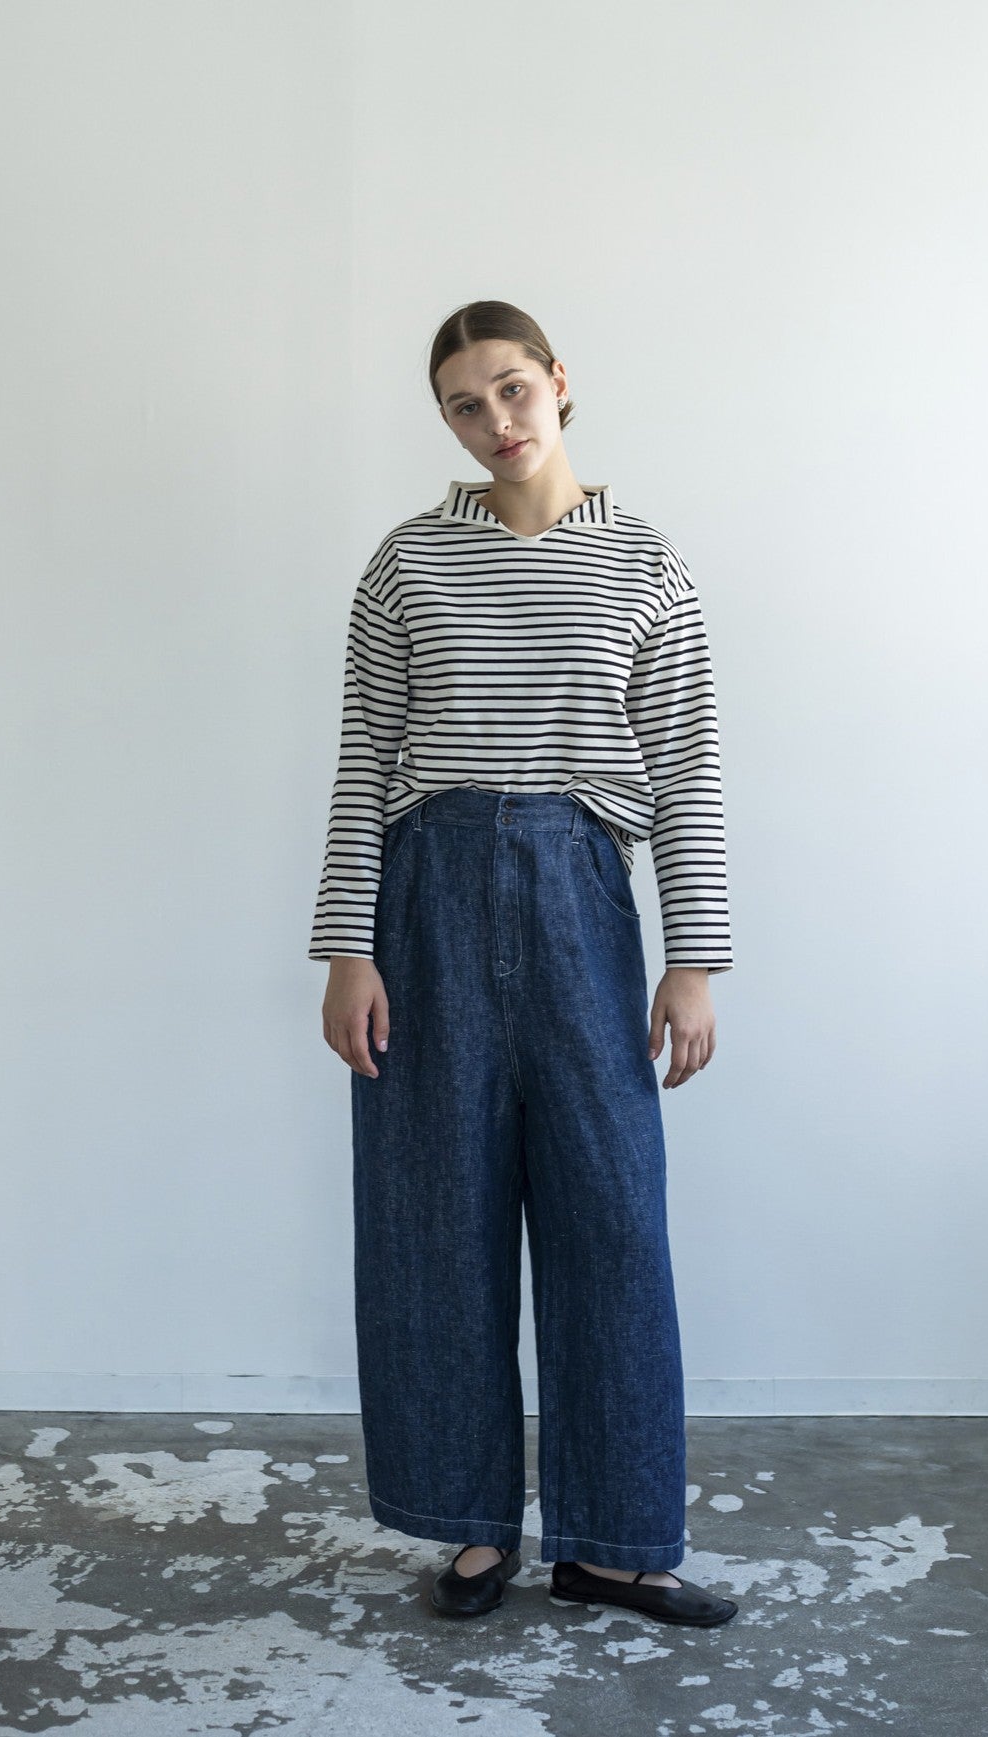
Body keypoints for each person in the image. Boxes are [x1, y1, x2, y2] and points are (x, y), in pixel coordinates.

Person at [310, 299, 738, 1628]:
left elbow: (685, 768)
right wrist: (346, 947)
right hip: (425, 899)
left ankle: (613, 1541)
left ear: (558, 379)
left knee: (612, 1220)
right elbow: (362, 762)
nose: (494, 420)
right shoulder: (407, 563)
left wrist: (694, 961)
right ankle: (470, 1524)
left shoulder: (645, 563)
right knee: (434, 1218)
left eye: (510, 387)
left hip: (579, 900)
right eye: (462, 403)